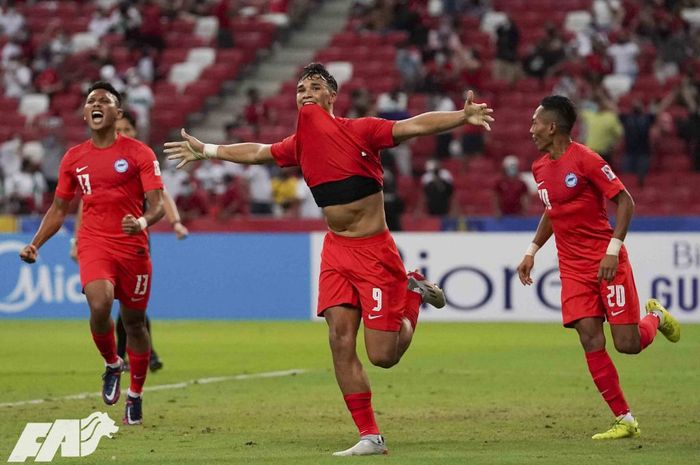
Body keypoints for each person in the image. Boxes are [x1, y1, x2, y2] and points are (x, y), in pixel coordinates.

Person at [164, 63, 493, 456]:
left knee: (383, 356)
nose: (305, 92)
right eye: (301, 86)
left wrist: (462, 115)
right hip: (336, 251)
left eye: (315, 86)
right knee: (339, 341)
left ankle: (414, 295)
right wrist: (207, 149)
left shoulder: (361, 130)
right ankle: (370, 436)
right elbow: (257, 152)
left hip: (375, 253)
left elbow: (415, 125)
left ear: (331, 97)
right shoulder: (299, 144)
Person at [516, 95, 681, 440]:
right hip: (573, 270)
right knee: (589, 337)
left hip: (607, 261)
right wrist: (532, 249)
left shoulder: (587, 160)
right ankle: (624, 418)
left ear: (552, 126)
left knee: (627, 344)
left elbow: (625, 201)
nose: (530, 129)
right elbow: (553, 210)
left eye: (535, 122)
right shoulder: (540, 168)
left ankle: (656, 318)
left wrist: (612, 250)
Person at [20, 81, 165, 425]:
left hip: (133, 247)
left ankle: (136, 394)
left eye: (105, 100)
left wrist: (142, 221)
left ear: (118, 113)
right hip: (94, 242)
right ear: (85, 113)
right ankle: (113, 364)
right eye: (91, 101)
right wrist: (36, 244)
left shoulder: (140, 153)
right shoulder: (74, 158)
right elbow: (58, 209)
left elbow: (157, 205)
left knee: (134, 324)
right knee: (99, 304)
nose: (97, 104)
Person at [70, 110, 188, 372]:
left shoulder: (138, 159)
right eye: (119, 129)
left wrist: (176, 222)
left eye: (127, 129)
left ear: (135, 132)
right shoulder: (102, 164)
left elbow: (163, 197)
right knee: (122, 307)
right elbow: (84, 205)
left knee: (132, 307)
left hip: (136, 240)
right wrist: (76, 241)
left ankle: (134, 354)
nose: (122, 134)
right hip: (101, 241)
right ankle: (132, 355)